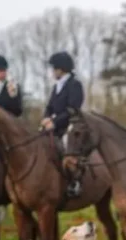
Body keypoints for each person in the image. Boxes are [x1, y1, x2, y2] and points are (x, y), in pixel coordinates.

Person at [42, 51, 84, 197]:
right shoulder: (57, 86)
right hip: (54, 126)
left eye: (54, 68)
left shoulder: (75, 85)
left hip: (70, 126)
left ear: (61, 69)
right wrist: (46, 118)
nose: (53, 71)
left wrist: (54, 122)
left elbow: (72, 109)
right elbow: (49, 106)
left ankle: (74, 182)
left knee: (68, 148)